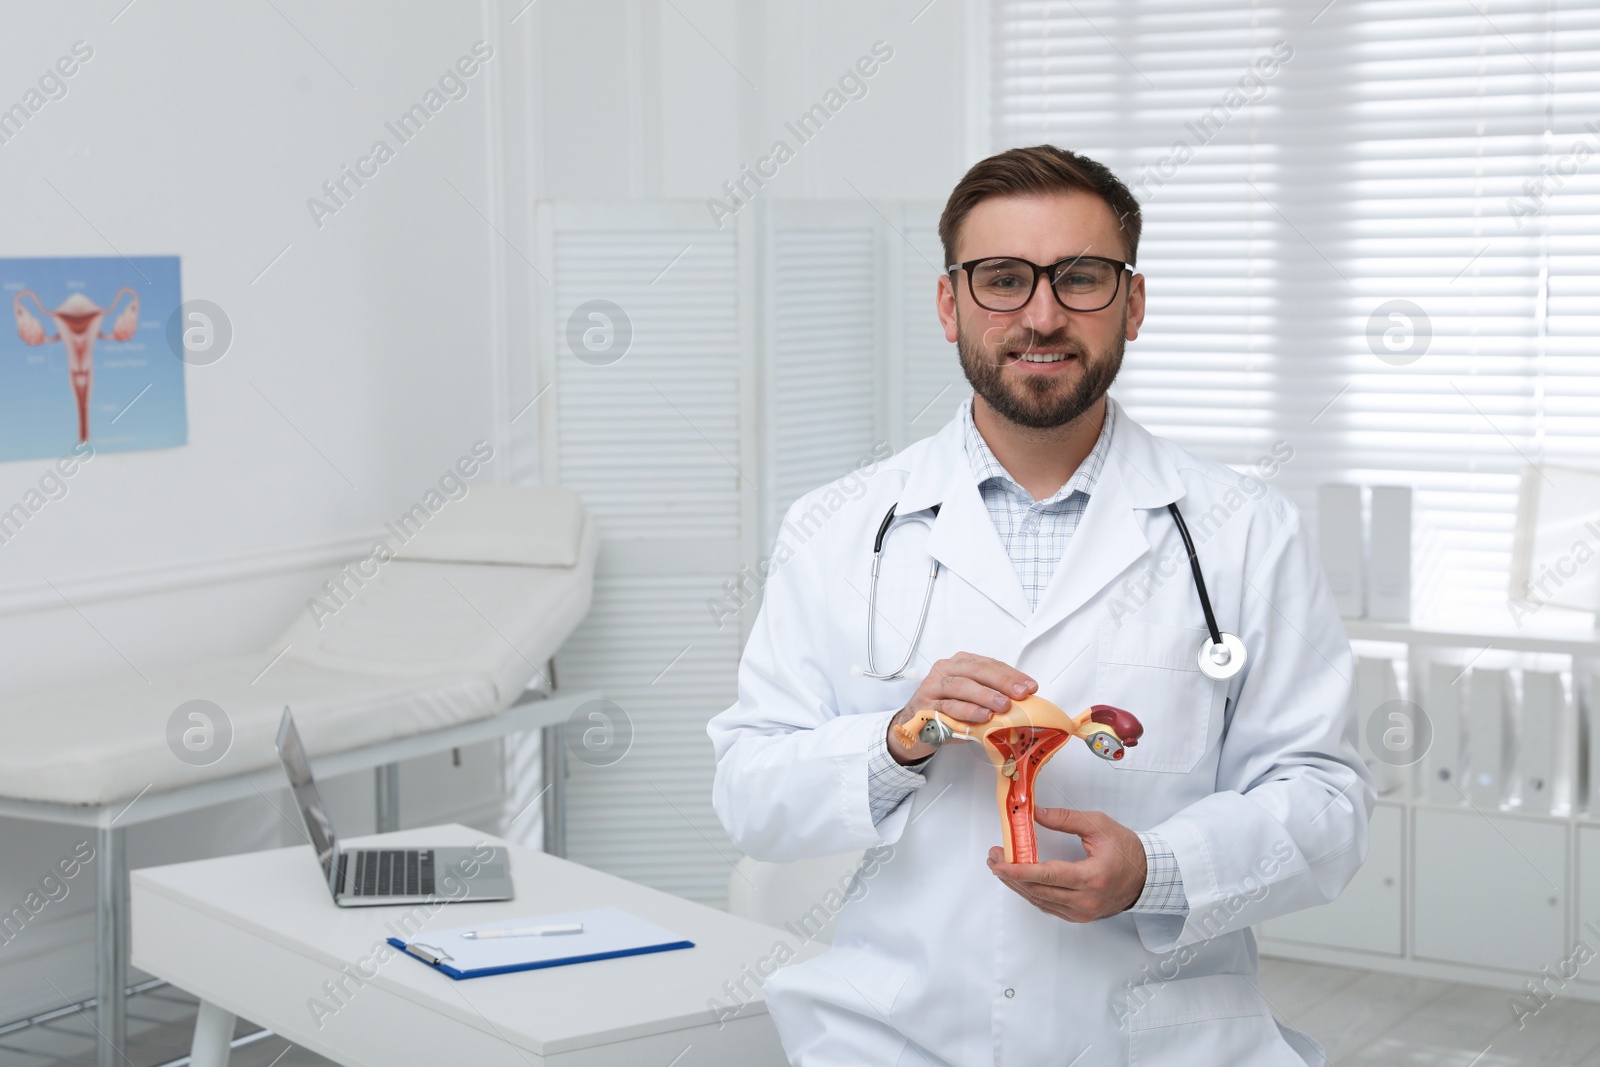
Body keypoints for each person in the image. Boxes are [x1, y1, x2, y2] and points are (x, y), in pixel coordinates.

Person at [707, 144, 1373, 1067]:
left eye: (1083, 278)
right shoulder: (836, 527)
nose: (1043, 314)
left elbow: (1326, 802)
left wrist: (1159, 868)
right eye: (1004, 280)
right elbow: (750, 796)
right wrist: (896, 740)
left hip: (1166, 1043)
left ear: (1132, 304)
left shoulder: (1244, 531)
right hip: (896, 1036)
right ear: (950, 304)